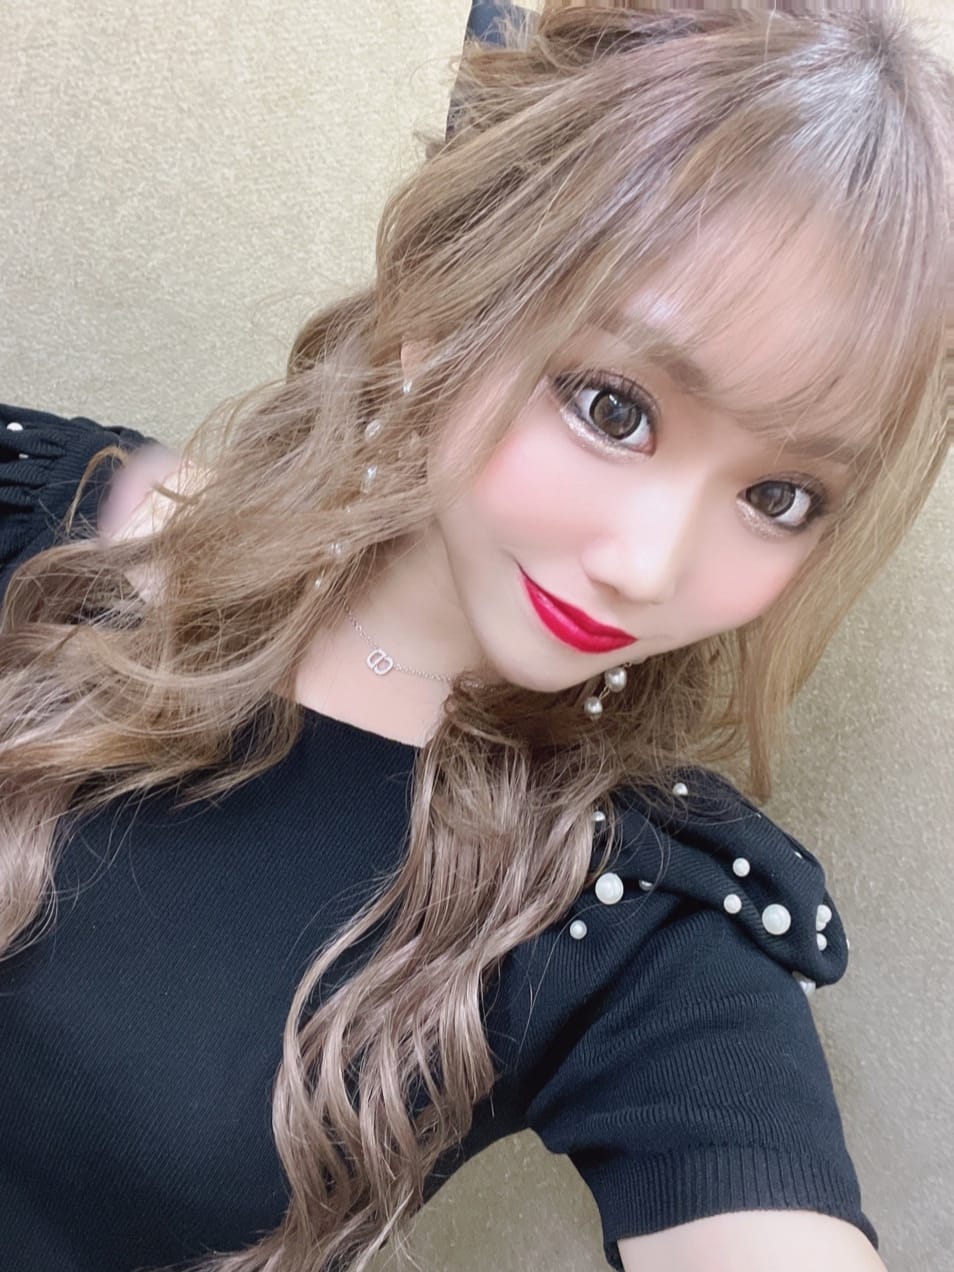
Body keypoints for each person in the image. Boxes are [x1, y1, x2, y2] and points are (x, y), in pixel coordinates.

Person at [0, 3, 950, 1270]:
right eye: (613, 407)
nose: (647, 565)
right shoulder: (46, 527)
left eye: (779, 498)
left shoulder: (625, 912)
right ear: (438, 320)